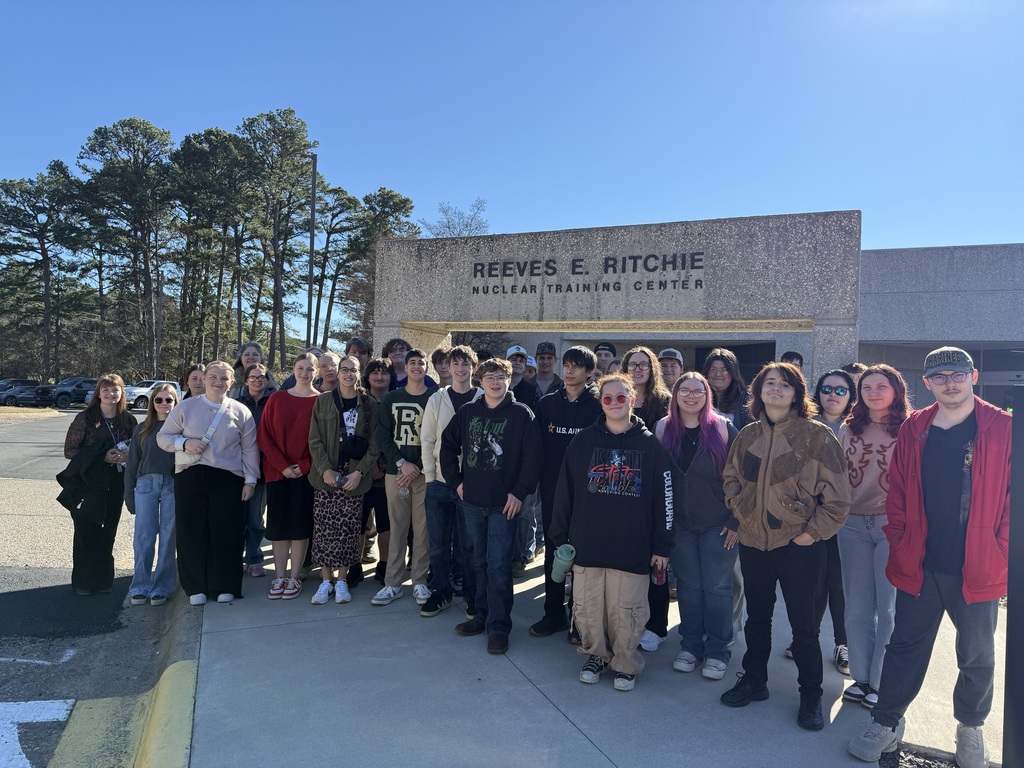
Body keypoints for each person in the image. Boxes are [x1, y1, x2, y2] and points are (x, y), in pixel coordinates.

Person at [849, 348, 1010, 768]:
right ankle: (886, 722)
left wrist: (1003, 546)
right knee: (905, 648)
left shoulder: (1003, 427)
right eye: (939, 377)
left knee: (976, 654)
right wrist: (900, 538)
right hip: (920, 561)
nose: (950, 383)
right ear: (927, 384)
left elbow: (1015, 497)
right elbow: (898, 490)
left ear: (974, 376)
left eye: (958, 374)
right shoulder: (915, 427)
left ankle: (970, 728)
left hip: (977, 564)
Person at [720, 362, 850, 731]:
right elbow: (731, 477)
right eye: (769, 384)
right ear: (759, 392)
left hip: (800, 547)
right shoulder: (746, 435)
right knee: (757, 618)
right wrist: (740, 509)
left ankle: (811, 693)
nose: (776, 389)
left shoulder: (817, 436)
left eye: (784, 384)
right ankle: (754, 679)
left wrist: (811, 535)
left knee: (804, 626)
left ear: (797, 392)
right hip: (752, 542)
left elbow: (838, 499)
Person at [549, 373, 675, 692]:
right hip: (588, 545)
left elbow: (666, 498)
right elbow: (564, 490)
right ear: (601, 402)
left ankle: (624, 663)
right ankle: (596, 656)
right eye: (608, 398)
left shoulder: (650, 446)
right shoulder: (583, 442)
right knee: (589, 610)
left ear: (632, 400)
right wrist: (559, 535)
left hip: (632, 548)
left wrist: (662, 545)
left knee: (626, 612)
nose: (615, 403)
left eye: (622, 397)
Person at [440, 357, 542, 655]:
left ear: (509, 380)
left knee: (498, 565)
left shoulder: (522, 414)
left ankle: (498, 627)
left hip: (504, 505)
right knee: (477, 562)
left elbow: (533, 458)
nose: (495, 382)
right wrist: (455, 481)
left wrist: (519, 493)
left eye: (501, 377)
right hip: (471, 502)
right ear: (479, 381)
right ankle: (480, 616)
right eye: (489, 377)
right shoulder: (467, 412)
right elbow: (447, 446)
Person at [837, 364, 910, 709]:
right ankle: (861, 677)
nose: (874, 392)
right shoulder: (849, 429)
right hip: (851, 525)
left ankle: (882, 681)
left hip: (890, 526)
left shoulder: (909, 429)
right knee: (857, 606)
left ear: (896, 390)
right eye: (867, 386)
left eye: (882, 386)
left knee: (888, 608)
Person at [657, 373, 738, 681]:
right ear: (675, 395)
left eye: (698, 391)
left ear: (707, 396)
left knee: (717, 588)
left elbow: (744, 477)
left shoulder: (722, 428)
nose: (691, 396)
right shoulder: (663, 429)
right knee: (689, 587)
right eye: (684, 390)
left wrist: (737, 520)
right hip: (679, 525)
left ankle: (718, 650)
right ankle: (691, 645)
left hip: (719, 525)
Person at [157, 361, 259, 605]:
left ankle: (225, 584)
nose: (218, 382)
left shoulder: (240, 411)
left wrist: (251, 480)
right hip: (190, 476)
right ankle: (195, 587)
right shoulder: (186, 407)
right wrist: (184, 443)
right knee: (192, 532)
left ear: (232, 382)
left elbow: (250, 448)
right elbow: (163, 437)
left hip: (228, 478)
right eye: (213, 376)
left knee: (227, 533)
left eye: (224, 378)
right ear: (203, 378)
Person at [528, 346, 603, 640]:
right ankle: (553, 614)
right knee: (554, 553)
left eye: (577, 366)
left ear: (589, 372)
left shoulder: (597, 406)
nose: (570, 371)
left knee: (582, 556)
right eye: (567, 365)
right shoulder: (546, 404)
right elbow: (535, 449)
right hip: (552, 492)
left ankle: (578, 619)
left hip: (588, 494)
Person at [307, 354, 379, 605]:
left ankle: (342, 581)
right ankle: (325, 582)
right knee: (324, 529)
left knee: (348, 531)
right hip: (326, 474)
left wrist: (359, 472)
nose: (348, 374)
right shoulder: (323, 401)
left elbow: (375, 443)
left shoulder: (369, 404)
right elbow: (314, 440)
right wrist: (325, 469)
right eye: (344, 370)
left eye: (354, 370)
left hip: (354, 475)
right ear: (337, 373)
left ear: (359, 374)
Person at [60, 373, 136, 596]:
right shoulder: (85, 418)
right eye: (106, 389)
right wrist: (102, 456)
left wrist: (126, 456)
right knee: (86, 530)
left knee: (108, 530)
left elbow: (138, 449)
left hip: (116, 482)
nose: (111, 394)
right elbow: (69, 451)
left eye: (115, 390)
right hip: (88, 482)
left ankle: (103, 581)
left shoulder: (129, 420)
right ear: (98, 393)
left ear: (122, 393)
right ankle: (83, 582)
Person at [419, 345, 481, 617]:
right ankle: (441, 590)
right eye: (455, 363)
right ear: (448, 367)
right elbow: (428, 439)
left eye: (465, 363)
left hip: (471, 484)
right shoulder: (437, 398)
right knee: (439, 542)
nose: (459, 368)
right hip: (440, 483)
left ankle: (470, 594)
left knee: (468, 545)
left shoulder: (482, 398)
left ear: (473, 368)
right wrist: (430, 477)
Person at [372, 348, 436, 606]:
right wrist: (401, 463)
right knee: (397, 528)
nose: (417, 366)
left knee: (422, 530)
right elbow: (383, 436)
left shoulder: (434, 398)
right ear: (405, 367)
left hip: (424, 474)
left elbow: (437, 437)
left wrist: (417, 466)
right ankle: (393, 584)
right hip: (396, 473)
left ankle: (419, 581)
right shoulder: (392, 398)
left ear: (426, 368)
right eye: (412, 362)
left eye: (422, 362)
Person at [805, 369, 858, 673]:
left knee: (839, 584)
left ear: (851, 395)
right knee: (813, 582)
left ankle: (843, 643)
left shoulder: (858, 427)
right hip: (811, 515)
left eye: (841, 390)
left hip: (847, 518)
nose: (833, 395)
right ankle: (807, 635)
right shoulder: (806, 425)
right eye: (827, 389)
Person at [257, 353, 320, 601]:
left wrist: (303, 466)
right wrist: (282, 466)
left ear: (316, 372)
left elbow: (322, 443)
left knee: (300, 526)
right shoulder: (276, 399)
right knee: (279, 527)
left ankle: (295, 576)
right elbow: (264, 436)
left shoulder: (321, 401)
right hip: (277, 473)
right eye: (300, 368)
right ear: (293, 370)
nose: (304, 373)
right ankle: (279, 576)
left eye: (309, 369)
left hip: (307, 475)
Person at [621, 345, 672, 649]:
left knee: (658, 563)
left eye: (643, 364)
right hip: (622, 489)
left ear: (652, 369)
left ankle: (657, 625)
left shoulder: (664, 403)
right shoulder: (618, 400)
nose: (637, 369)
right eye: (632, 364)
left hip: (654, 487)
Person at [702, 347, 752, 638]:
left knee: (733, 571)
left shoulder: (747, 404)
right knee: (707, 570)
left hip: (737, 491)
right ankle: (707, 621)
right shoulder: (696, 399)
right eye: (713, 369)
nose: (718, 374)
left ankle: (730, 626)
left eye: (724, 369)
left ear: (734, 373)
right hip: (705, 491)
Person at [125, 383, 178, 606]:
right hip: (145, 484)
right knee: (144, 537)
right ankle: (140, 586)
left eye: (169, 400)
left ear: (176, 403)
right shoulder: (142, 429)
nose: (164, 404)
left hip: (172, 485)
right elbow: (132, 463)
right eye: (159, 400)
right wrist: (129, 496)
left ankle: (162, 587)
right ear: (152, 402)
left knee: (168, 538)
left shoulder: (181, 428)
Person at [235, 363, 276, 577]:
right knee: (236, 515)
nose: (258, 381)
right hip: (237, 467)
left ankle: (254, 557)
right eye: (253, 377)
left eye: (262, 377)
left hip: (263, 467)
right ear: (246, 380)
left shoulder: (275, 401)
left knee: (255, 516)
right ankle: (235, 557)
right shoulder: (236, 402)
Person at [362, 357, 395, 582]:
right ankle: (354, 565)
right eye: (375, 372)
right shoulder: (360, 400)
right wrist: (372, 465)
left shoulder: (394, 400)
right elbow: (363, 436)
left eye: (384, 373)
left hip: (389, 473)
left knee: (386, 522)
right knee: (360, 522)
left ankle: (384, 565)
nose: (379, 377)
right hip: (362, 472)